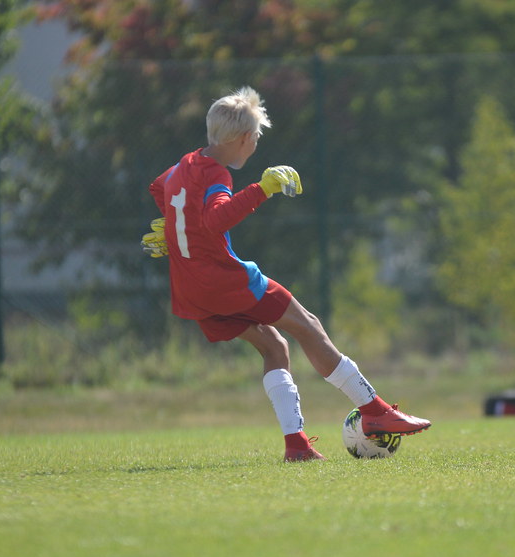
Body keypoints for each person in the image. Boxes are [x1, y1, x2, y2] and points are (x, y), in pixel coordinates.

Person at [142, 86, 430, 461]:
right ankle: (376, 412)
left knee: (275, 346)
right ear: (246, 138)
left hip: (191, 290)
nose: (256, 144)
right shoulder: (217, 174)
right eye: (257, 137)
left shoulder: (183, 166)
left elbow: (159, 188)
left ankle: (297, 446)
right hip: (226, 282)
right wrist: (263, 188)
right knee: (308, 326)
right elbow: (216, 219)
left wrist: (176, 228)